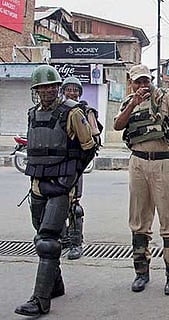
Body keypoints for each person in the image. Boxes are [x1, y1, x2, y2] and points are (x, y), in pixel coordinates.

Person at [14, 65, 97, 316]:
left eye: (51, 86)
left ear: (57, 87)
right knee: (41, 238)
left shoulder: (72, 112)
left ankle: (40, 300)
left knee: (49, 241)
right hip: (37, 184)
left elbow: (89, 146)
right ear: (36, 91)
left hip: (61, 184)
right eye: (42, 87)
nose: (47, 91)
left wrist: (71, 176)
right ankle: (55, 285)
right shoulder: (32, 114)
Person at [113, 64, 169, 295]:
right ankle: (141, 273)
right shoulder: (129, 101)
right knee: (138, 220)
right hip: (138, 162)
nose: (143, 85)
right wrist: (133, 104)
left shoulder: (165, 97)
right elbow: (118, 125)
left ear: (151, 80)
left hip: (164, 162)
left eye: (146, 81)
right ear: (131, 83)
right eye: (138, 82)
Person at [60, 76, 103, 260]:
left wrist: (80, 163)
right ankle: (62, 239)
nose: (72, 92)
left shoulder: (86, 111)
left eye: (75, 89)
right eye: (69, 89)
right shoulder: (58, 110)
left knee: (73, 206)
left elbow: (94, 139)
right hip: (56, 166)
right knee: (55, 204)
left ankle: (76, 243)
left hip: (74, 165)